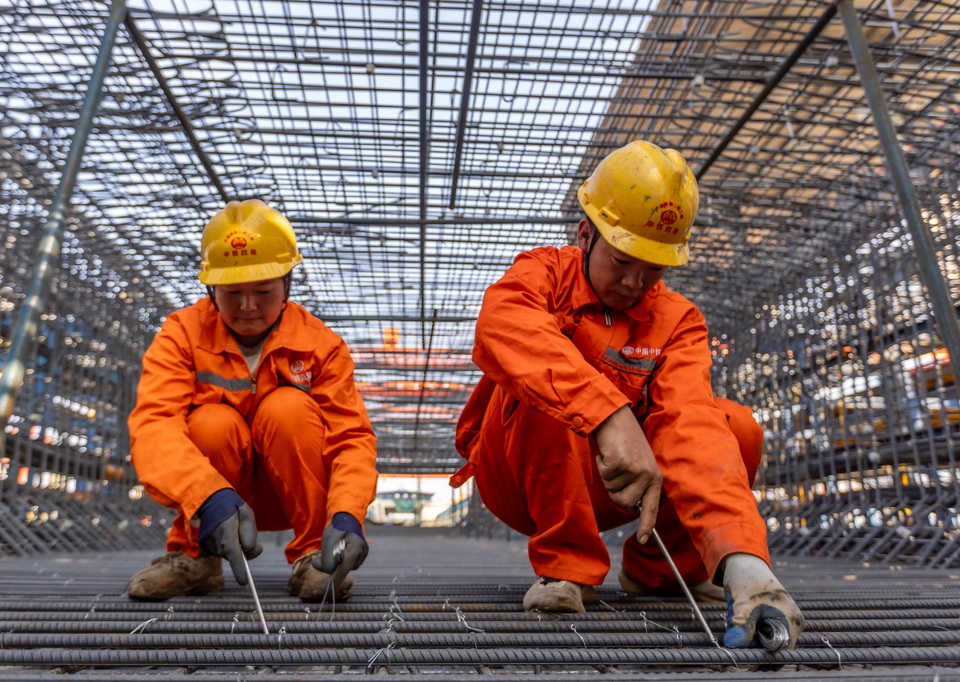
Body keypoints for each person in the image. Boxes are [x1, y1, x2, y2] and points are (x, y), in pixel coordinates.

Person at [450, 140, 804, 649]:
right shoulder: (542, 274)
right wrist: (609, 415)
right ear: (584, 234)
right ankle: (566, 567)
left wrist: (743, 558)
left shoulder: (677, 320)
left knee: (733, 425)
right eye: (621, 260)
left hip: (620, 490)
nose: (634, 282)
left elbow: (691, 427)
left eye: (654, 268)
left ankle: (661, 569)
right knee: (545, 387)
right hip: (518, 478)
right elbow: (504, 327)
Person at [125, 200, 378, 602]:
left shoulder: (319, 345)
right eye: (232, 293)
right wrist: (206, 496)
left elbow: (351, 439)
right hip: (216, 504)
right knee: (211, 422)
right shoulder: (182, 333)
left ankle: (315, 554)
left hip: (291, 493)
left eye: (263, 291)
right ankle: (197, 556)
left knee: (288, 408)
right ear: (211, 289)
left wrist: (347, 513)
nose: (247, 307)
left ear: (287, 283)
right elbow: (155, 425)